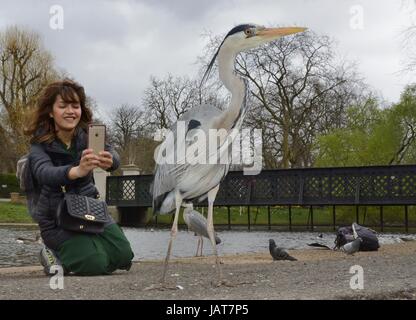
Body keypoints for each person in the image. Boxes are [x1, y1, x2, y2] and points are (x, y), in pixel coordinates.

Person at [24, 79, 134, 276]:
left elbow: (114, 156)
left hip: (90, 210)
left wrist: (111, 161)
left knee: (124, 256)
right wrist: (77, 170)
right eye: (63, 106)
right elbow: (44, 173)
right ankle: (53, 253)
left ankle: (83, 253)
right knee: (95, 264)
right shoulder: (38, 145)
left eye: (75, 106)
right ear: (51, 111)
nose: (70, 111)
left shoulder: (87, 137)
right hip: (57, 219)